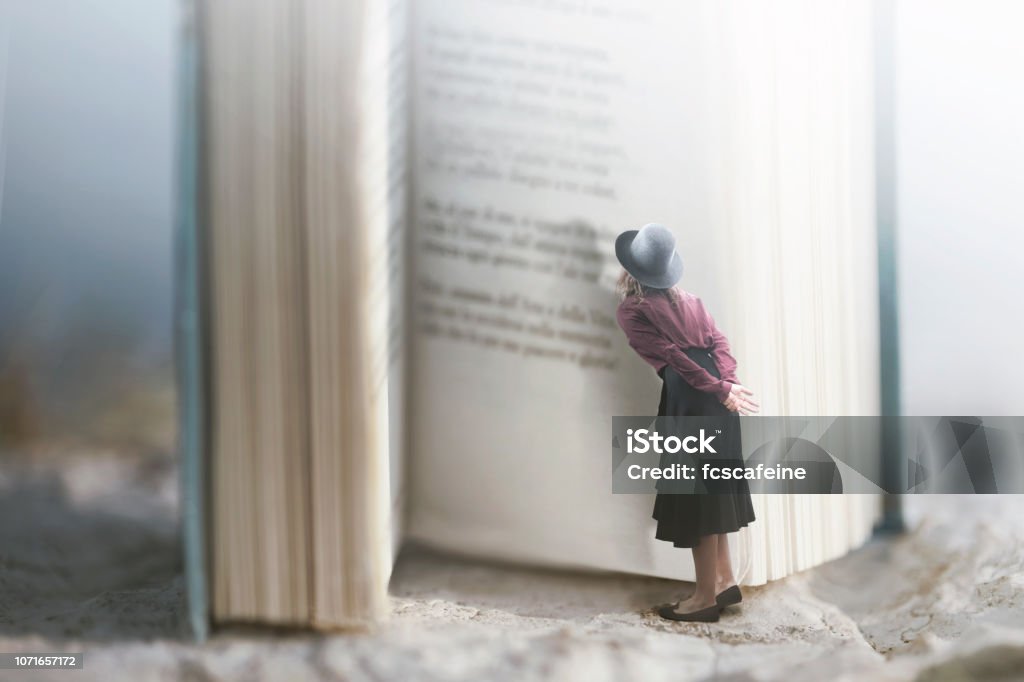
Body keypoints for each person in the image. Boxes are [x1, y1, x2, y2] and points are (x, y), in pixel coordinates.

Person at [614, 223, 759, 623]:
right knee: (716, 488)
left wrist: (718, 386)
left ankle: (702, 598)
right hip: (714, 397)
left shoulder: (632, 310)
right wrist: (727, 384)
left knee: (699, 497)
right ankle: (725, 580)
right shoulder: (692, 300)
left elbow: (673, 359)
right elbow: (720, 344)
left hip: (689, 398)